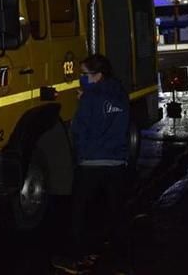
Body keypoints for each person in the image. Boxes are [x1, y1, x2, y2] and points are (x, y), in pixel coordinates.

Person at [52, 54, 131, 275]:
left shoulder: (89, 98)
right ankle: (121, 263)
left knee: (79, 211)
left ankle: (75, 258)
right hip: (117, 163)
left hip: (91, 163)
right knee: (117, 212)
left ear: (97, 74)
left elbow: (78, 129)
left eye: (84, 74)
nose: (81, 78)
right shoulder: (120, 93)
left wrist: (85, 102)